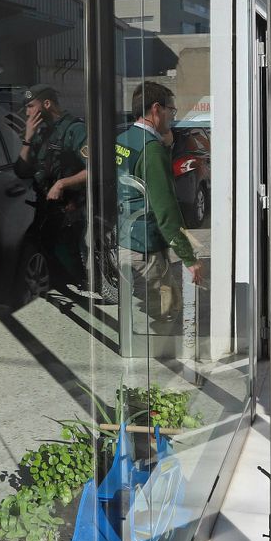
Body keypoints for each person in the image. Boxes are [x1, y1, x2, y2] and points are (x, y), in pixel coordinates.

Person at [116, 82, 204, 352]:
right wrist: (188, 257)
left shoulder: (124, 140)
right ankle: (162, 372)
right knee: (167, 310)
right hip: (146, 246)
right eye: (171, 110)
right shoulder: (151, 148)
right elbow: (165, 208)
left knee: (144, 309)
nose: (172, 116)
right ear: (156, 109)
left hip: (125, 238)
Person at [14, 84, 91, 286]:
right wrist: (28, 139)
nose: (28, 112)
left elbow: (94, 169)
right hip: (45, 209)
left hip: (70, 209)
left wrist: (62, 184)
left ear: (47, 104)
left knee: (70, 263)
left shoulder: (75, 129)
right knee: (48, 256)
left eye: (31, 106)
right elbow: (21, 171)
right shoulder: (41, 133)